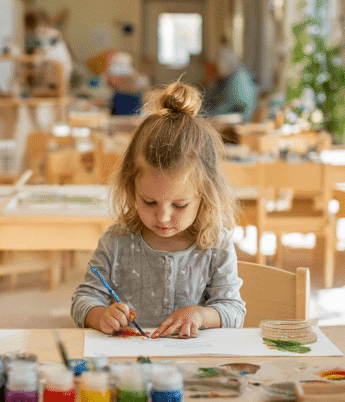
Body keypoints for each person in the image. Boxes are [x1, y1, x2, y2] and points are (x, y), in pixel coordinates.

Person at [71, 81, 246, 338]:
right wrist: (100, 315)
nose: (163, 217)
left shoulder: (215, 245)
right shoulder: (116, 241)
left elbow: (233, 310)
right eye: (149, 202)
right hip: (129, 366)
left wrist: (200, 314)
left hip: (194, 366)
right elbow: (82, 300)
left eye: (179, 205)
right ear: (132, 188)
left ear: (206, 196)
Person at [203, 38, 258, 119]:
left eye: (217, 67)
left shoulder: (238, 80)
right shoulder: (225, 79)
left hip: (237, 120)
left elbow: (229, 106)